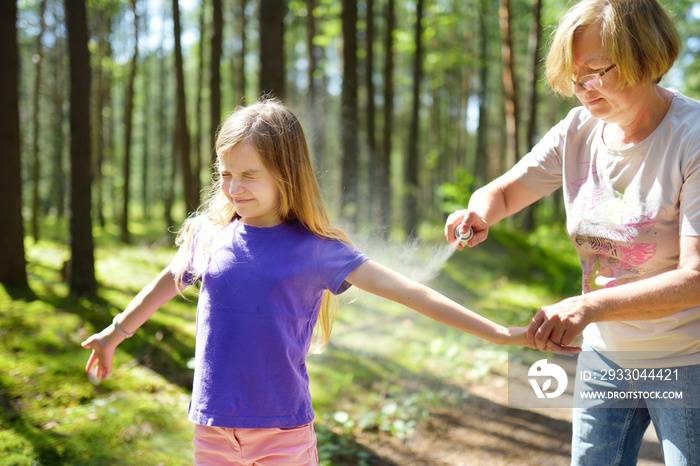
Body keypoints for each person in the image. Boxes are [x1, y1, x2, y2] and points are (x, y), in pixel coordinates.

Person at [81, 99, 574, 465]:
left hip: (283, 436)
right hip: (211, 431)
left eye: (249, 175)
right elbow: (168, 280)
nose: (234, 187)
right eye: (226, 173)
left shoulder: (316, 251)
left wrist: (500, 333)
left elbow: (411, 292)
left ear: (286, 174)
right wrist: (114, 333)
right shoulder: (208, 238)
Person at [445, 0, 700, 464]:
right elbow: (502, 194)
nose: (582, 88)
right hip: (604, 358)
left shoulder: (693, 138)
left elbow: (696, 278)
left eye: (595, 70)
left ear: (645, 55)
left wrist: (588, 306)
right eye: (573, 75)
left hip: (688, 360)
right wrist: (477, 213)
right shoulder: (578, 129)